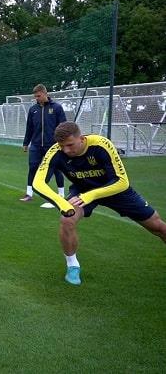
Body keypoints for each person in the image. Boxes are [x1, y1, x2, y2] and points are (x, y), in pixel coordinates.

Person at [33, 121, 166, 286]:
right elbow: (38, 183)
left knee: (159, 227)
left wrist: (91, 195)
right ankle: (72, 266)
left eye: (70, 145)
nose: (66, 150)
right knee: (67, 219)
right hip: (82, 190)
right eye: (62, 146)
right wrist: (62, 204)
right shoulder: (55, 151)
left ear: (81, 138)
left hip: (114, 189)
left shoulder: (101, 144)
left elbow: (122, 181)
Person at [21, 84, 67, 207]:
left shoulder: (56, 108)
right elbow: (29, 127)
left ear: (45, 94)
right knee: (32, 167)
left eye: (39, 96)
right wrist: (26, 143)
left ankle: (61, 194)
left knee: (56, 169)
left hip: (53, 145)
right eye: (35, 96)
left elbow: (63, 126)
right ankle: (29, 194)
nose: (37, 98)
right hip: (36, 145)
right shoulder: (33, 109)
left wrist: (62, 143)